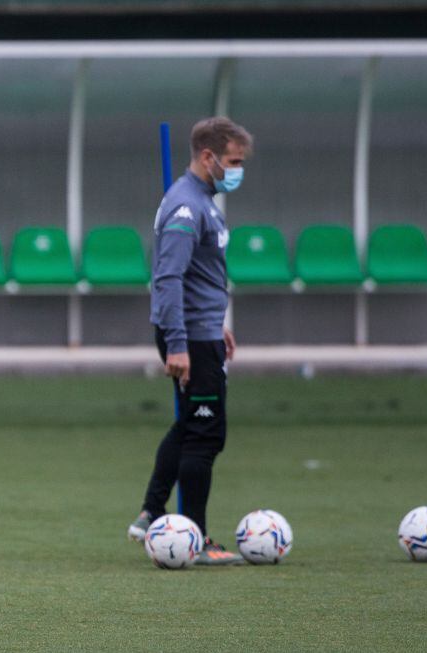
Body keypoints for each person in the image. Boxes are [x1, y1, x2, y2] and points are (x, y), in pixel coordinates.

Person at [127, 116, 252, 565]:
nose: (238, 170)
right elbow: (168, 277)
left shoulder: (202, 199)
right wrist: (179, 342)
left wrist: (215, 323)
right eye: (234, 161)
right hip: (189, 338)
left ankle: (151, 512)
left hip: (201, 332)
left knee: (193, 426)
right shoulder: (186, 205)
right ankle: (196, 541)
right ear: (208, 156)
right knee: (205, 433)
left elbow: (199, 274)